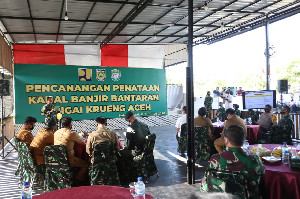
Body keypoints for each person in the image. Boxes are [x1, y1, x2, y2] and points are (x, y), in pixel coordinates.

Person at [204, 125, 263, 198]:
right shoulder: (254, 159)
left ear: (226, 140)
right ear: (243, 140)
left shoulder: (214, 159)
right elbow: (259, 182)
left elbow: (204, 187)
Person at [54, 117, 88, 183]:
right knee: (86, 165)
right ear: (70, 125)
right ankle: (77, 181)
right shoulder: (72, 133)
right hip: (69, 160)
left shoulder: (56, 132)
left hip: (58, 159)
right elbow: (82, 143)